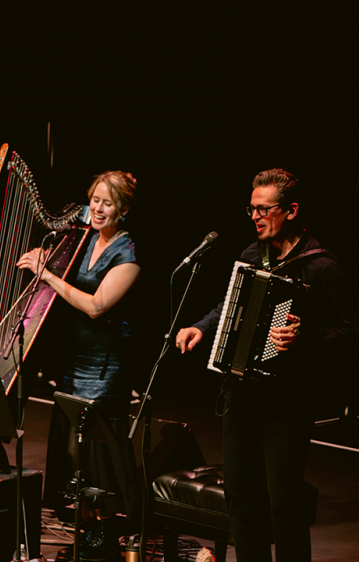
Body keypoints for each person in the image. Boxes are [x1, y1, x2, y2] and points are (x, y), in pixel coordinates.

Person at [175, 168, 356, 562]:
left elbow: (348, 333)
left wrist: (305, 337)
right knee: (241, 500)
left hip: (287, 405)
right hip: (241, 397)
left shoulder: (321, 268)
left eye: (264, 209)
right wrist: (202, 327)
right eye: (251, 209)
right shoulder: (252, 255)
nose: (256, 217)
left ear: (290, 210)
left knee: (284, 505)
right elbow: (229, 304)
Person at [17, 171, 141, 559]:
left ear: (123, 208)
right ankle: (85, 527)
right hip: (76, 359)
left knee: (97, 449)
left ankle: (118, 525)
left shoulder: (129, 254)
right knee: (73, 451)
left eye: (107, 202)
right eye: (95, 200)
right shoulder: (85, 240)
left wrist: (47, 274)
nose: (98, 209)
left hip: (106, 364)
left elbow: (96, 306)